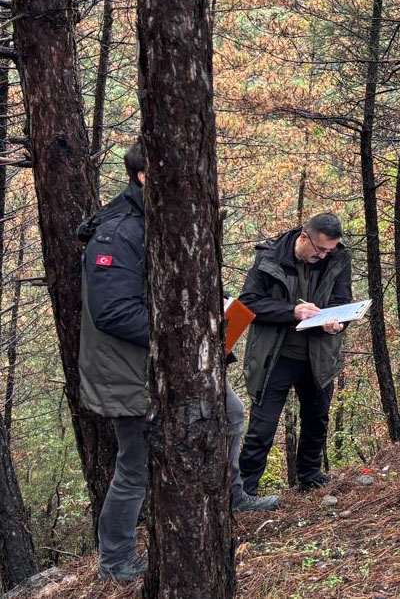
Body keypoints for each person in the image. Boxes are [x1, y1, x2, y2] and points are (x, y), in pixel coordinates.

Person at [79, 143, 278, 585]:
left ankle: (232, 496)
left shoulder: (165, 220)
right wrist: (186, 340)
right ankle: (115, 562)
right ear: (145, 176)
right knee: (135, 464)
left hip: (177, 358)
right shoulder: (117, 233)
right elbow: (112, 312)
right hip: (128, 368)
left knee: (230, 414)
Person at [237, 213, 351, 495]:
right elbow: (248, 304)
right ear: (304, 237)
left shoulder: (338, 259)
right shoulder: (270, 257)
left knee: (317, 417)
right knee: (263, 426)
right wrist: (292, 312)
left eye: (329, 250)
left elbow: (342, 300)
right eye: (320, 249)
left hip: (319, 354)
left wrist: (338, 323)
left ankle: (309, 476)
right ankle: (245, 489)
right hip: (275, 355)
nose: (324, 255)